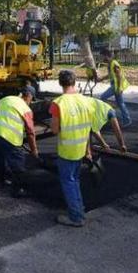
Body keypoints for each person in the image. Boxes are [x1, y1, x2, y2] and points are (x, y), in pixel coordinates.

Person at [50, 70, 96, 227]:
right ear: (74, 82)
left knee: (68, 182)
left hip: (67, 151)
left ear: (60, 83)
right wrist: (88, 151)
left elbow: (55, 130)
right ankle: (79, 208)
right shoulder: (86, 101)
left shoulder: (58, 103)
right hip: (81, 148)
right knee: (74, 180)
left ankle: (76, 217)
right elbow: (89, 127)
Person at [0, 86, 39, 197]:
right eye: (31, 99)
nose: (30, 102)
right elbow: (30, 132)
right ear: (28, 96)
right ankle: (17, 190)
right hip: (9, 137)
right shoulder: (26, 109)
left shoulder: (7, 99)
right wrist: (34, 150)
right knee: (17, 163)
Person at [99, 49, 131, 126]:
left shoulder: (114, 63)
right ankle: (127, 120)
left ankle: (113, 106)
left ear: (106, 56)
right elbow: (110, 75)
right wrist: (101, 78)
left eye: (102, 56)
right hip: (115, 85)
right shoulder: (110, 64)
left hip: (116, 86)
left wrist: (119, 88)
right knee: (121, 103)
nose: (102, 58)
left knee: (102, 97)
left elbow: (119, 76)